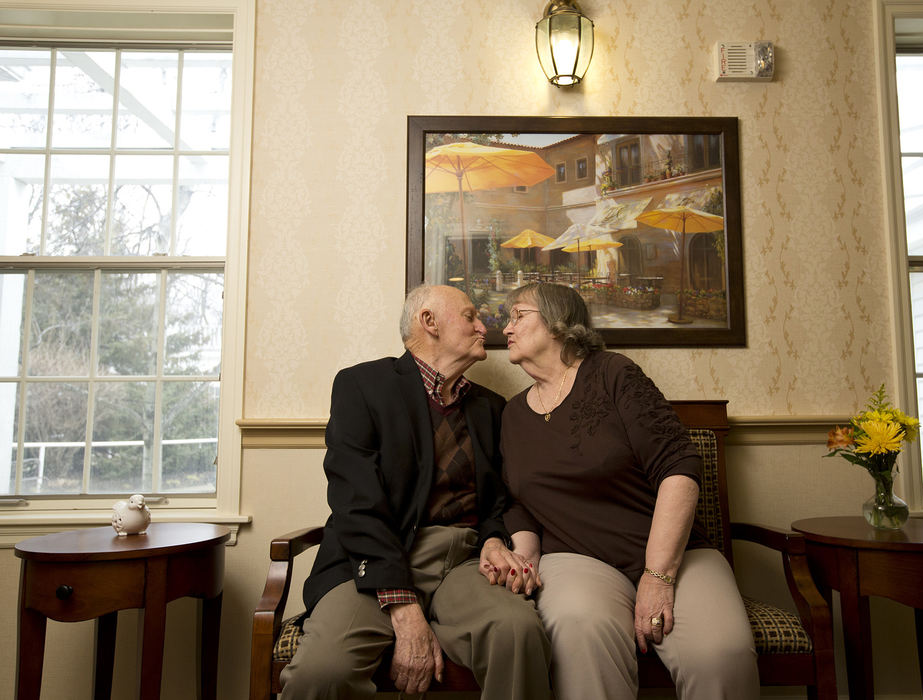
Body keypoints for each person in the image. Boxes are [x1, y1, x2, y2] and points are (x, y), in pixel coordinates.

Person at [281, 284, 550, 700]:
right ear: (429, 322)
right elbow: (356, 504)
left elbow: (500, 501)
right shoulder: (362, 386)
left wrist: (496, 539)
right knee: (321, 673)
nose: (484, 326)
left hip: (465, 563)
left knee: (519, 631)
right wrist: (403, 607)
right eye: (470, 316)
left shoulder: (492, 408)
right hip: (374, 561)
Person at [500, 282, 759, 700]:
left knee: (721, 654)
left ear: (558, 323)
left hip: (674, 553)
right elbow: (519, 501)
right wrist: (526, 555)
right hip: (576, 559)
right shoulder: (511, 414)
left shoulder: (613, 373)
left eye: (518, 315)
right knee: (580, 628)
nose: (505, 327)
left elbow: (679, 466)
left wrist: (658, 576)